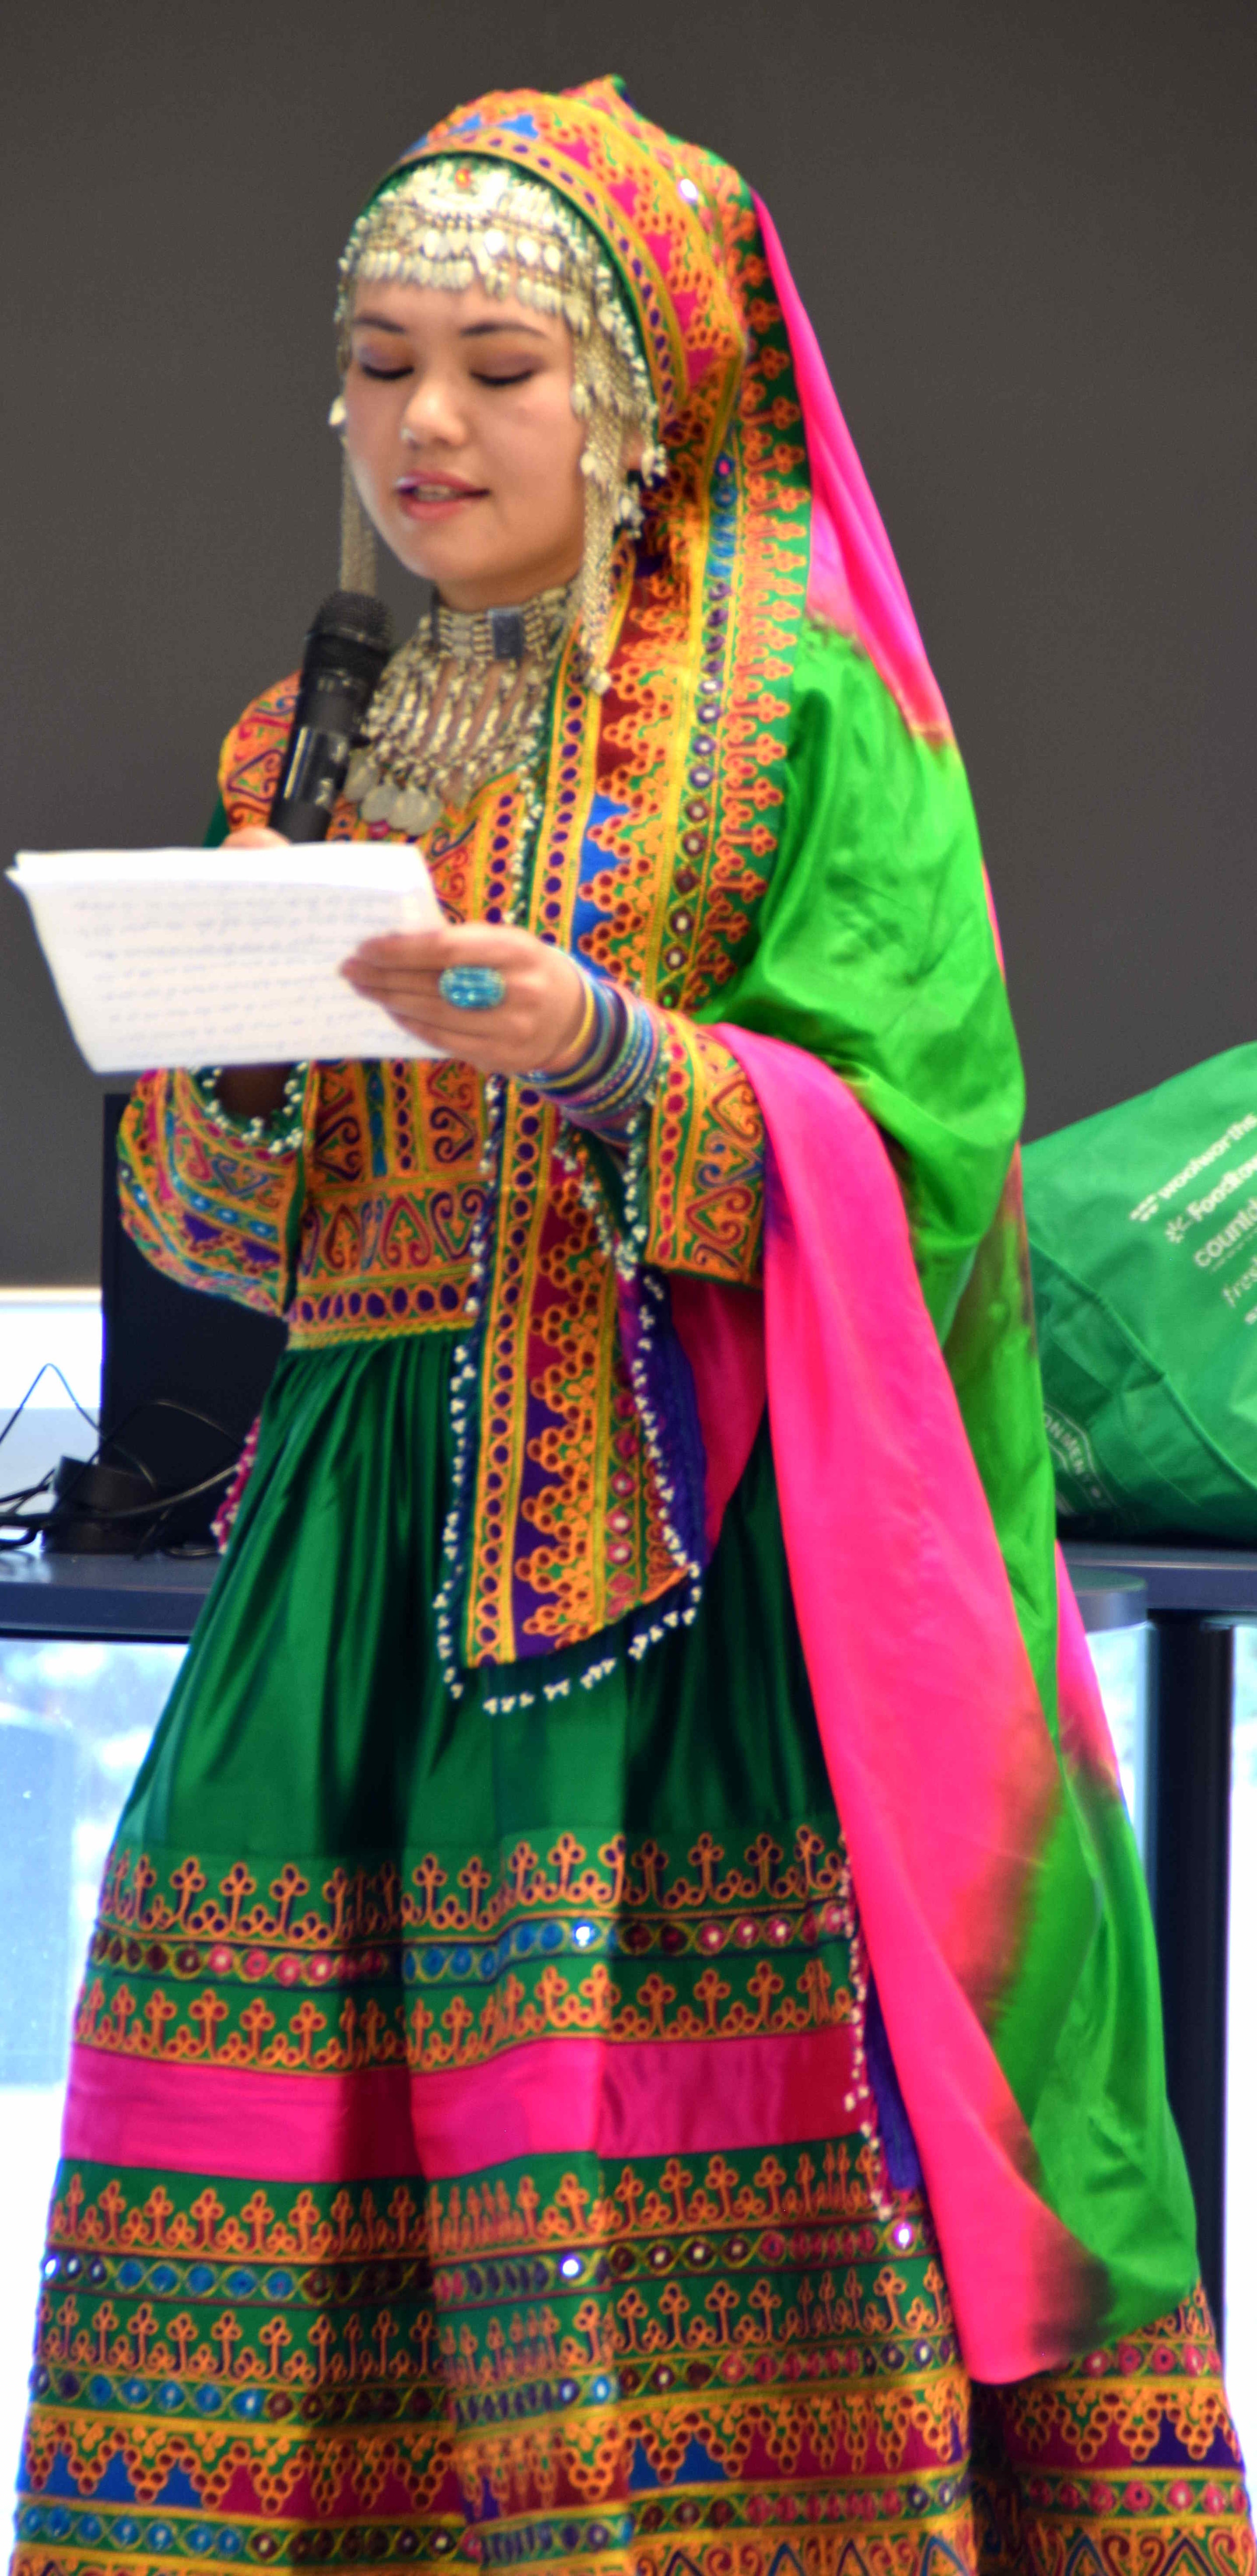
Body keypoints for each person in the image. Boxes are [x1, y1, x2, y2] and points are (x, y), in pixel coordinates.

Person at [15, 76, 1253, 2576]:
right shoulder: (308, 729)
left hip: (706, 1595)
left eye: (496, 364)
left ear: (641, 394)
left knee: (673, 2211)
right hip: (338, 1592)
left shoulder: (808, 728)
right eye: (376, 366)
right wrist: (224, 1053)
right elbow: (236, 1249)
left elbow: (922, 1165)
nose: (424, 426)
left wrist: (600, 1051)